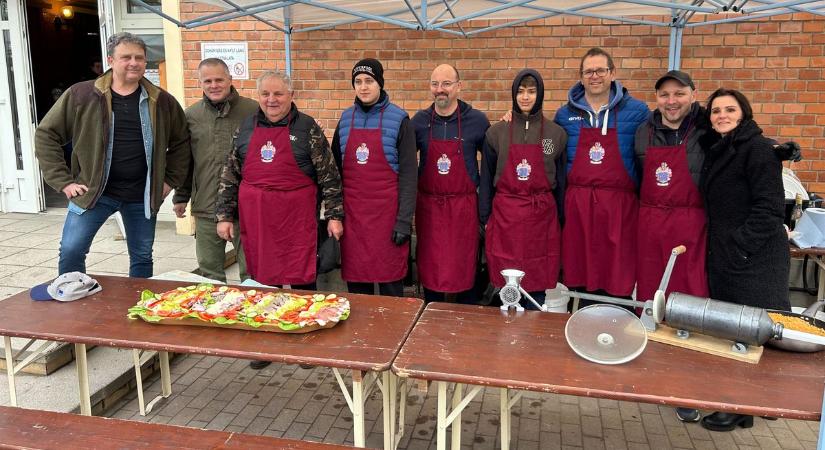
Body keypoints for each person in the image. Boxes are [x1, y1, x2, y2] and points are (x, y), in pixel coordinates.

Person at [35, 32, 191, 278]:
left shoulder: (161, 101)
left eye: (139, 57)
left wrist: (169, 180)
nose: (133, 62)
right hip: (94, 192)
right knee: (71, 249)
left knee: (141, 256)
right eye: (125, 57)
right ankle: (71, 300)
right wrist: (64, 181)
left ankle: (138, 306)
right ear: (111, 60)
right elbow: (46, 134)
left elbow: (182, 142)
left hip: (142, 194)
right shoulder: (82, 95)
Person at [698, 88, 791, 432]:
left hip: (755, 258)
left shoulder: (758, 150)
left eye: (729, 109)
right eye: (716, 111)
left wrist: (741, 247)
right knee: (736, 332)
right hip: (729, 255)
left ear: (744, 113)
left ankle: (744, 403)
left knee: (752, 333)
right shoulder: (722, 147)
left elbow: (769, 208)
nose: (721, 115)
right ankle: (744, 406)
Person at [554, 47, 649, 302]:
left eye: (600, 70)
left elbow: (648, 158)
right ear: (581, 76)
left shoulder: (638, 112)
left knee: (618, 275)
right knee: (582, 276)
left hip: (619, 207)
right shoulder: (564, 115)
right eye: (588, 71)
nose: (594, 76)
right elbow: (549, 152)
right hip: (578, 207)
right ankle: (583, 325)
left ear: (612, 73)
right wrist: (513, 119)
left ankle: (619, 328)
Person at [480, 69, 567, 305]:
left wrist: (560, 215)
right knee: (504, 282)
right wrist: (485, 216)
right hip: (505, 216)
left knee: (536, 284)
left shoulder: (553, 135)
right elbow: (486, 178)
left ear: (540, 94)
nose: (525, 97)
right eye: (520, 91)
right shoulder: (497, 134)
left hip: (541, 217)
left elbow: (558, 175)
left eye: (531, 91)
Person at [331, 58, 417, 297]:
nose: (363, 87)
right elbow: (333, 174)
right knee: (358, 294)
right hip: (354, 222)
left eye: (369, 81)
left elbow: (410, 176)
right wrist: (334, 215)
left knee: (392, 293)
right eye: (358, 82)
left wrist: (403, 221)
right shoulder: (346, 119)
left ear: (380, 83)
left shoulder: (400, 120)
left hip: (387, 222)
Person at [173, 58, 258, 283]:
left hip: (245, 207)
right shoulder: (191, 116)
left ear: (230, 79)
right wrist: (181, 196)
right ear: (200, 83)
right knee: (210, 275)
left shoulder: (253, 111)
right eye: (208, 80)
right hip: (206, 206)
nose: (214, 85)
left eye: (219, 79)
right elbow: (185, 160)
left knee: (252, 272)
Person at [411, 64, 489, 303]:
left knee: (464, 266)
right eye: (435, 84)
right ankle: (431, 313)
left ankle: (466, 317)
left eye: (446, 84)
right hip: (430, 209)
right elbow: (404, 165)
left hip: (463, 209)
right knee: (431, 265)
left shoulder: (477, 121)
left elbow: (489, 167)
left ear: (458, 86)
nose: (440, 90)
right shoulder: (419, 122)